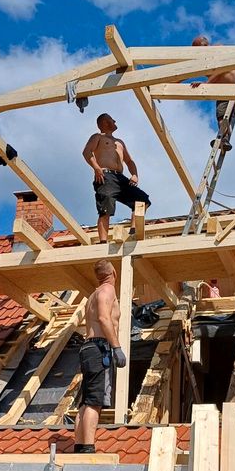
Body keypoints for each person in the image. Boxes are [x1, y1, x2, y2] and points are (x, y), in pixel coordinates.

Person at [74, 260, 126, 453]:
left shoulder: (92, 296)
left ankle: (79, 446)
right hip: (99, 348)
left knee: (86, 401)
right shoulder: (107, 291)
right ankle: (88, 448)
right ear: (113, 272)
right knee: (95, 401)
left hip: (88, 348)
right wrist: (117, 347)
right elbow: (104, 319)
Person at [83, 113, 151, 243]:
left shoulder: (119, 142)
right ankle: (103, 242)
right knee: (106, 206)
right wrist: (96, 168)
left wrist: (135, 175)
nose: (114, 120)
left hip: (120, 178)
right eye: (111, 119)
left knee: (142, 199)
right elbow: (87, 151)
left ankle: (133, 230)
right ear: (104, 122)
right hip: (105, 175)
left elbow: (129, 161)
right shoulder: (98, 137)